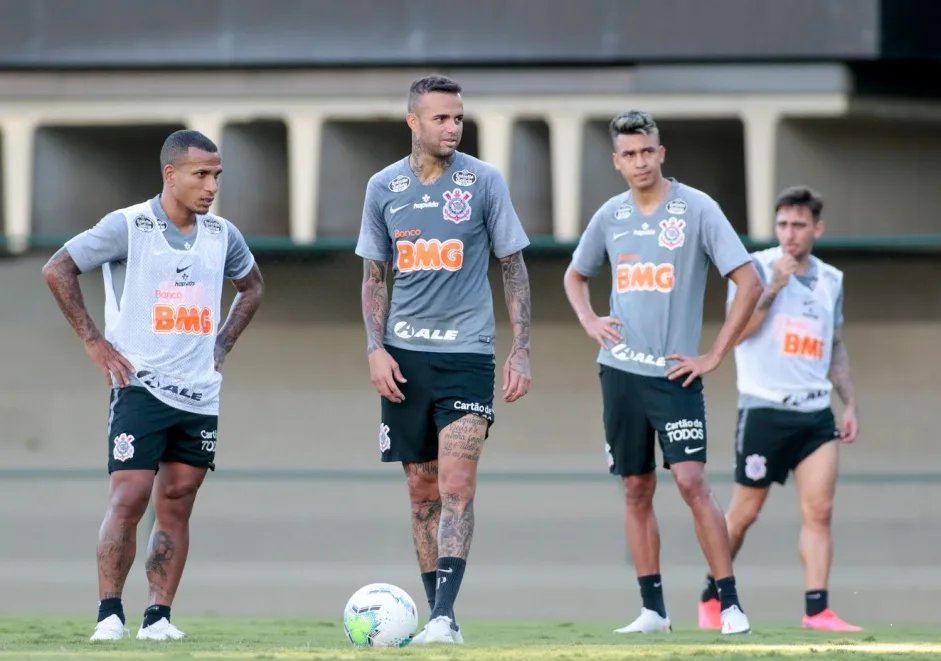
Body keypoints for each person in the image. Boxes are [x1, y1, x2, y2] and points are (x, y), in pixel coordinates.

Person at [41, 129, 264, 642]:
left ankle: (158, 617)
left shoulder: (223, 234)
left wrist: (223, 343)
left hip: (200, 392)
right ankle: (109, 614)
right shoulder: (129, 225)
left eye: (216, 176)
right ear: (171, 174)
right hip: (139, 384)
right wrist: (94, 341)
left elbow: (252, 286)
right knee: (130, 495)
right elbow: (59, 270)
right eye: (200, 174)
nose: (211, 186)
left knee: (178, 499)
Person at [563, 110, 762, 636]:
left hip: (676, 375)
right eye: (629, 154)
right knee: (635, 486)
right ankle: (653, 610)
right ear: (616, 161)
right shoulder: (610, 216)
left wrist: (714, 354)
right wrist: (588, 320)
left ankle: (730, 604)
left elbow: (749, 281)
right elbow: (576, 274)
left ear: (661, 152)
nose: (640, 161)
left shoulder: (696, 209)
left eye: (647, 151)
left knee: (693, 481)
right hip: (620, 372)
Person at [355, 74, 532, 645]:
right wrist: (375, 349)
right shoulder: (382, 187)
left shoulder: (483, 181)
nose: (453, 127)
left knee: (458, 483)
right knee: (421, 491)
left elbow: (513, 267)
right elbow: (375, 276)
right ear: (413, 121)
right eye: (441, 118)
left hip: (467, 355)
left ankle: (444, 617)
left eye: (458, 117)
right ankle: (434, 615)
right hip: (405, 358)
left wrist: (521, 349)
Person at [697, 185, 861, 632]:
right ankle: (713, 594)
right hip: (765, 408)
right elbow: (738, 335)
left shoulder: (831, 280)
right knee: (746, 513)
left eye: (799, 225)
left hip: (815, 413)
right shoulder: (756, 269)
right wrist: (772, 290)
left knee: (819, 512)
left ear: (817, 229)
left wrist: (849, 404)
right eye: (783, 224)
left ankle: (817, 610)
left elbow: (835, 346)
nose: (790, 234)